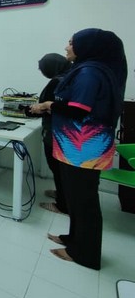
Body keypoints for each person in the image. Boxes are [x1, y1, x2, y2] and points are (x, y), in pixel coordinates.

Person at [30, 29, 127, 270]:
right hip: (78, 147)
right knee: (76, 199)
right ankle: (72, 239)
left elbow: (78, 109)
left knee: (84, 202)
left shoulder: (89, 73)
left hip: (84, 147)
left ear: (88, 47)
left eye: (72, 43)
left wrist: (49, 104)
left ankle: (85, 254)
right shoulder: (89, 70)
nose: (66, 47)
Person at [26, 54, 71, 215]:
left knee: (57, 167)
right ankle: (63, 196)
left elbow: (50, 107)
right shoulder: (69, 78)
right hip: (65, 132)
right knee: (61, 169)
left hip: (55, 132)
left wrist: (34, 109)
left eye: (43, 69)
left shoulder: (57, 82)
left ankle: (62, 204)